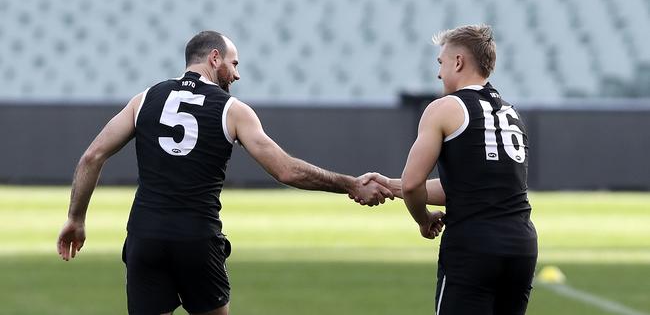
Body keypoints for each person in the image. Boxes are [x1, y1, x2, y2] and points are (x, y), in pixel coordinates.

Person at [57, 30, 394, 315]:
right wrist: (350, 184)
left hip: (146, 237)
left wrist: (76, 218)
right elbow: (286, 170)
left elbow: (92, 157)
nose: (236, 74)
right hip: (196, 240)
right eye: (234, 64)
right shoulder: (232, 110)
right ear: (214, 59)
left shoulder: (144, 99)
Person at [364, 25, 538, 314]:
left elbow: (412, 184)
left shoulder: (444, 108)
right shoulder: (511, 113)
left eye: (441, 63)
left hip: (473, 245)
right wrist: (389, 186)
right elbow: (469, 187)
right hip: (522, 246)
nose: (438, 74)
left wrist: (422, 219)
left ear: (458, 62)